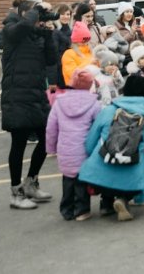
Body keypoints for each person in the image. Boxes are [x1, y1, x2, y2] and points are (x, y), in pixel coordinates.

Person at [78, 75, 144, 221]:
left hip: (103, 165)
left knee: (107, 174)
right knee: (139, 174)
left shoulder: (109, 110)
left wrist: (90, 155)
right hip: (132, 166)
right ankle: (123, 199)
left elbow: (91, 140)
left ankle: (106, 205)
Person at [1, 0, 58, 209]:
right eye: (36, 14)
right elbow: (20, 29)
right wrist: (36, 11)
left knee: (47, 138)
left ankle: (31, 182)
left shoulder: (37, 34)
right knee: (19, 143)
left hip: (36, 95)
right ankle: (15, 193)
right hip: (16, 94)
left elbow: (51, 59)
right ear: (25, 13)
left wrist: (49, 32)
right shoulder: (11, 29)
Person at [45, 67, 102, 221]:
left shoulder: (59, 103)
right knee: (82, 179)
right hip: (84, 148)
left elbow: (51, 127)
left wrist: (50, 147)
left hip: (65, 149)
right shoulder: (94, 104)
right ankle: (82, 210)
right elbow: (98, 126)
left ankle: (67, 209)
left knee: (68, 179)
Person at [60, 21, 94, 87]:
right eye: (83, 40)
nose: (85, 42)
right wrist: (91, 63)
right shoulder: (68, 54)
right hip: (77, 91)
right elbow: (73, 74)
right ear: (76, 40)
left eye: (87, 39)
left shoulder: (91, 52)